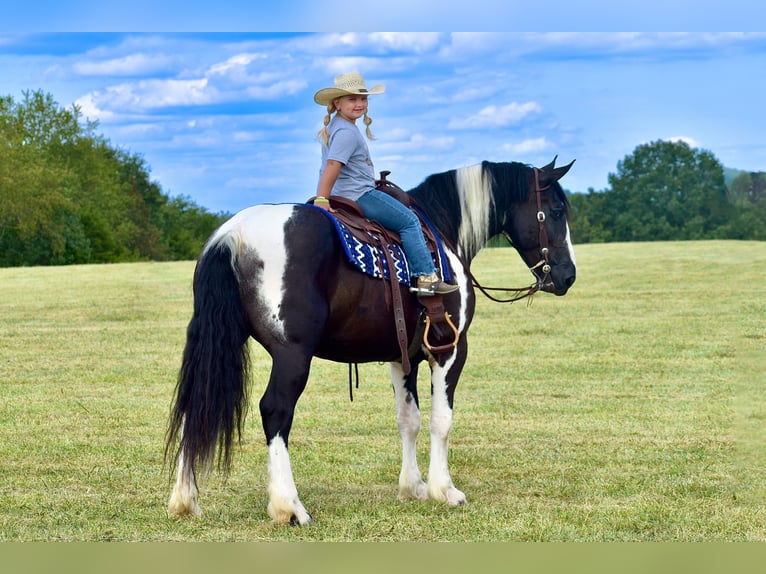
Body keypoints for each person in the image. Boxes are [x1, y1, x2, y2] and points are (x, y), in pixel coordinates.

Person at [313, 72, 458, 296]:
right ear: (337, 103)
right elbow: (333, 164)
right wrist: (321, 198)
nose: (359, 104)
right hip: (358, 194)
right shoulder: (347, 132)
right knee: (409, 221)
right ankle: (426, 277)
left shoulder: (338, 126)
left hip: (346, 192)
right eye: (352, 99)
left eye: (363, 99)